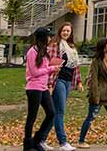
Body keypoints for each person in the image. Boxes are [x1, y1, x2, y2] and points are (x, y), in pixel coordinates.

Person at [42, 23, 83, 151]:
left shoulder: (71, 47)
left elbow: (75, 67)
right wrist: (50, 84)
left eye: (68, 31)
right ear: (60, 31)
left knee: (53, 113)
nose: (66, 33)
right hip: (58, 81)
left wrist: (79, 82)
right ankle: (63, 142)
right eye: (64, 30)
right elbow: (51, 66)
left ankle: (41, 140)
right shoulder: (55, 46)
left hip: (68, 82)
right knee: (60, 112)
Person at [77, 37, 107, 148]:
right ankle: (81, 141)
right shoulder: (96, 61)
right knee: (90, 117)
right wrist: (95, 96)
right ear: (104, 47)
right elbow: (94, 80)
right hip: (98, 94)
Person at [24, 27, 61, 151]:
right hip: (34, 87)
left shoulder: (44, 51)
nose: (50, 38)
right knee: (32, 116)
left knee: (51, 113)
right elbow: (34, 72)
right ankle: (27, 144)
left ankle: (37, 140)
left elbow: (44, 70)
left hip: (43, 87)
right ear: (42, 37)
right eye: (48, 36)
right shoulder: (32, 51)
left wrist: (54, 69)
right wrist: (51, 69)